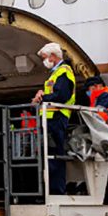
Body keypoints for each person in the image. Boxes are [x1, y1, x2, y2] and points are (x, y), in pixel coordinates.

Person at [31, 42, 75, 195]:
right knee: (49, 155)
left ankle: (56, 190)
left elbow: (62, 96)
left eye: (45, 58)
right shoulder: (56, 73)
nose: (44, 62)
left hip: (56, 118)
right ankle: (51, 190)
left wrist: (43, 98)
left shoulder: (64, 71)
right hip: (50, 119)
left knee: (54, 156)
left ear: (53, 56)